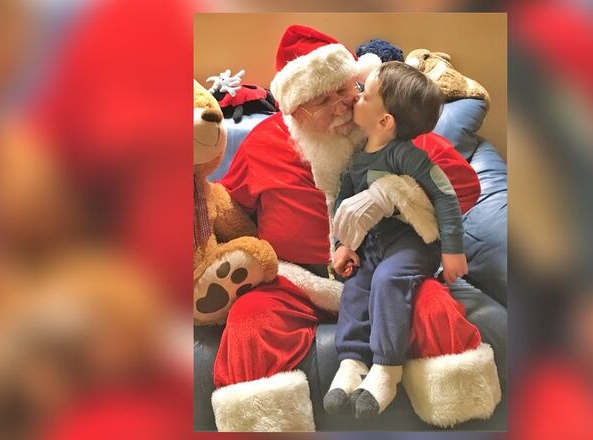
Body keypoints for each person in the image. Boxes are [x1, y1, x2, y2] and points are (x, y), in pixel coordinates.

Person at [209, 24, 501, 431]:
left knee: (436, 311)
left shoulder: (389, 127)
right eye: (321, 101)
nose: (341, 109)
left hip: (388, 271)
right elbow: (230, 210)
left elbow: (464, 188)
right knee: (250, 322)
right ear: (293, 111)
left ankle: (461, 418)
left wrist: (393, 192)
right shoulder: (263, 143)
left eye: (345, 91)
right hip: (297, 281)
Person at [325, 61, 469, 418]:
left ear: (385, 121)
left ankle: (387, 368)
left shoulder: (406, 155)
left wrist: (453, 251)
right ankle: (351, 362)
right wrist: (343, 245)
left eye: (365, 95)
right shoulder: (356, 157)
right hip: (372, 246)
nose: (356, 98)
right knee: (356, 286)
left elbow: (446, 196)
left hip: (413, 244)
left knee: (388, 280)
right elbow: (344, 205)